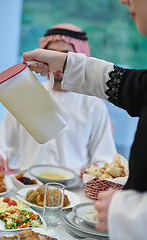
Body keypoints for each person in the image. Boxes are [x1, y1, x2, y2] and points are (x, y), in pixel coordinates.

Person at [22, 0, 147, 239]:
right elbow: (130, 84)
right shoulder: (30, 94)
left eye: (67, 54)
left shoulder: (93, 105)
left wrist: (130, 211)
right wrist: (66, 65)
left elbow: (105, 162)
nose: (123, 1)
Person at [0, 23, 116, 175]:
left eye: (66, 57)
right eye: (53, 55)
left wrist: (95, 169)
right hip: (26, 186)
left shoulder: (93, 104)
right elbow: (0, 145)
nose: (58, 63)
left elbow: (105, 159)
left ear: (78, 60)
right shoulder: (25, 94)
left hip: (72, 191)